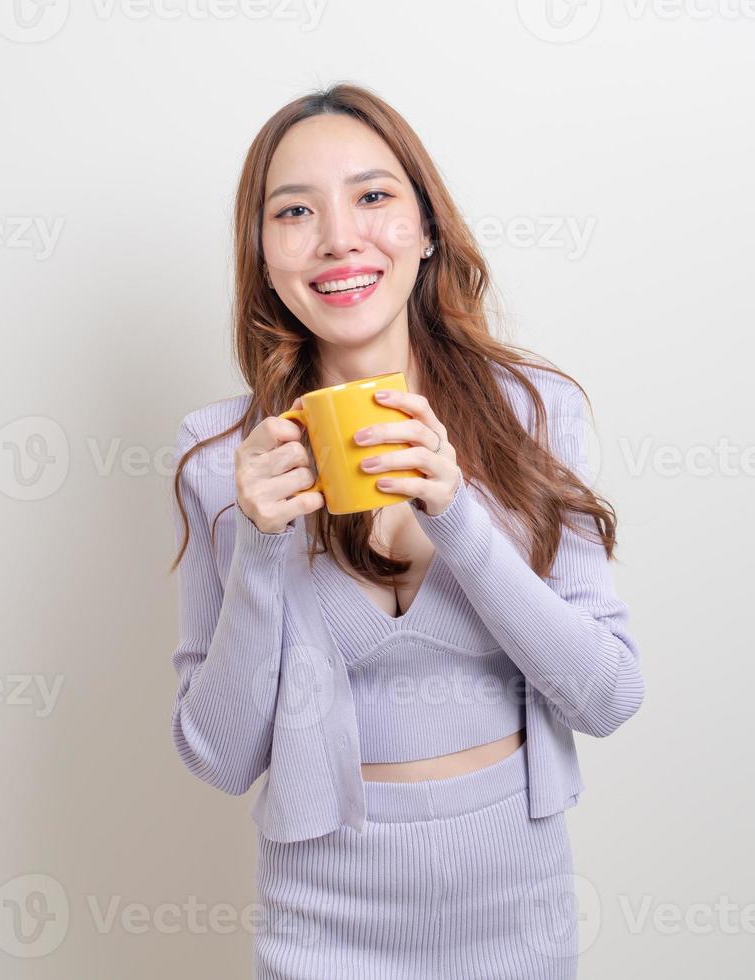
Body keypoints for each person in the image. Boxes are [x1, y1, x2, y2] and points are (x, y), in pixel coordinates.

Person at [167, 82, 645, 979]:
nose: (338, 237)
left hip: (518, 920)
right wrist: (262, 553)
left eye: (373, 196)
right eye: (295, 212)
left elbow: (608, 695)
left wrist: (460, 522)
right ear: (263, 255)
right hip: (321, 933)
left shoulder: (534, 413)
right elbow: (219, 758)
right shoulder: (219, 458)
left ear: (426, 229)